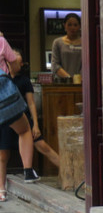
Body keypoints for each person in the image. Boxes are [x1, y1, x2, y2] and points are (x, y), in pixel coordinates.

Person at [0, 50, 59, 200]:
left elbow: (31, 103)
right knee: (2, 155)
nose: (17, 65)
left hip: (19, 115)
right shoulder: (4, 78)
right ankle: (1, 189)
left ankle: (68, 172)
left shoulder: (23, 80)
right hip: (7, 117)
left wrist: (36, 124)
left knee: (42, 146)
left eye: (20, 63)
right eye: (15, 62)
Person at [0, 41, 39, 187]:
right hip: (4, 102)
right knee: (24, 129)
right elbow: (15, 66)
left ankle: (1, 189)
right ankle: (28, 171)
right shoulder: (2, 42)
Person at [51, 13, 82, 82]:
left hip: (81, 83)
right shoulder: (57, 42)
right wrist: (69, 79)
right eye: (69, 25)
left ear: (79, 26)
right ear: (64, 25)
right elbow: (55, 65)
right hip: (62, 83)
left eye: (75, 25)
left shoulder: (85, 43)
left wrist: (79, 79)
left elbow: (87, 64)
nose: (72, 28)